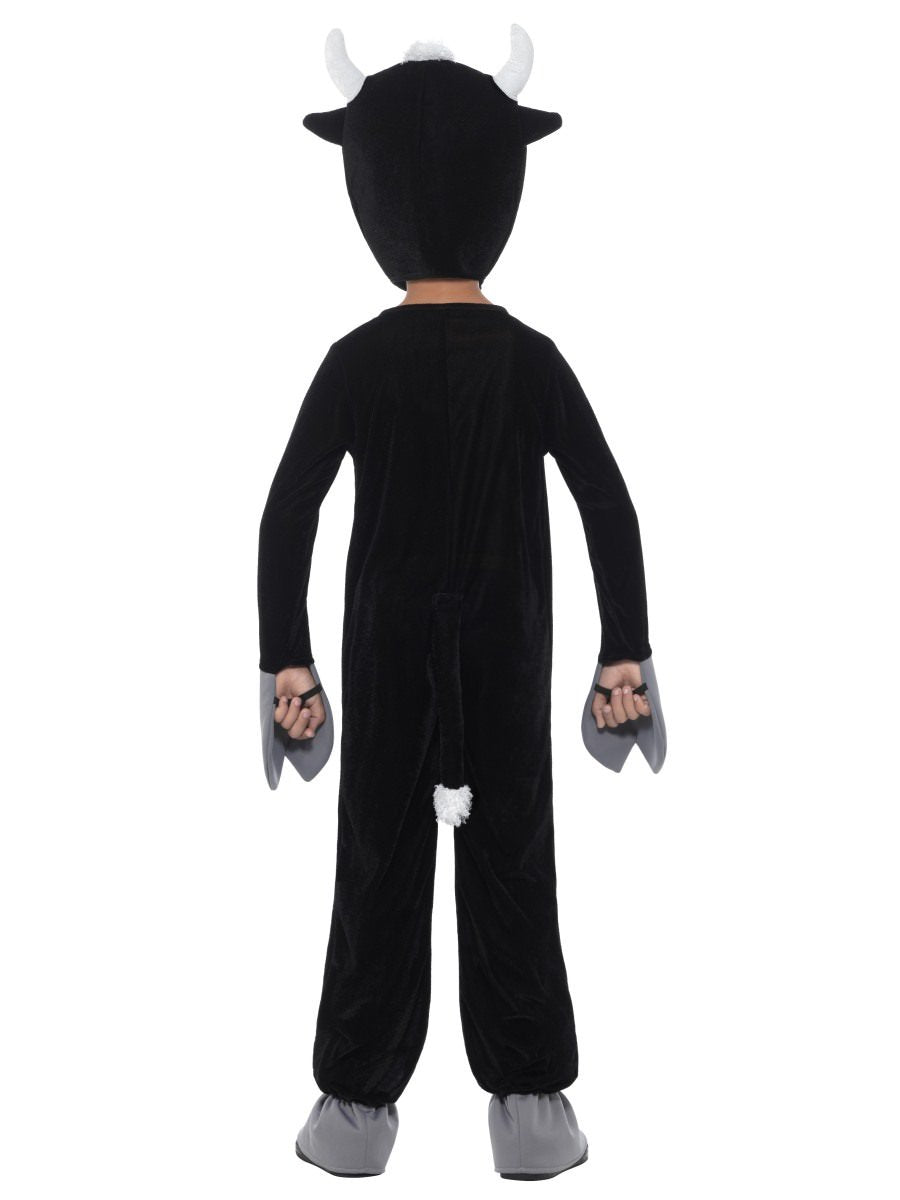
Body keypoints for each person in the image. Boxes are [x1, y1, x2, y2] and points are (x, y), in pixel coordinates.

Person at [257, 26, 665, 1179]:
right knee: (513, 859)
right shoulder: (530, 358)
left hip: (384, 647)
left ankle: (353, 1110)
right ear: (505, 179)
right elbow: (607, 501)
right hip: (505, 643)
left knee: (377, 860)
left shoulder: (355, 361)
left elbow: (287, 513)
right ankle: (531, 1107)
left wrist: (288, 657)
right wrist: (624, 647)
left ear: (368, 189)